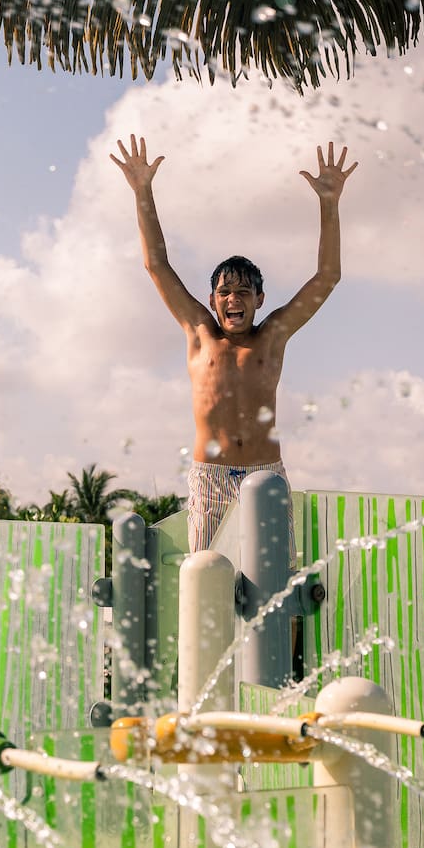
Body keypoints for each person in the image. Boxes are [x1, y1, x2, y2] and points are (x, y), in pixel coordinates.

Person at [111, 135, 357, 549]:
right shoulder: (200, 333)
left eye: (244, 292)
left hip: (266, 476)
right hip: (210, 480)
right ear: (212, 300)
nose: (233, 299)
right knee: (209, 584)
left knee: (277, 584)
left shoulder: (273, 335)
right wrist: (142, 191)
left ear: (260, 300)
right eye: (225, 292)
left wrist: (328, 203)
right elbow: (156, 265)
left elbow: (327, 277)